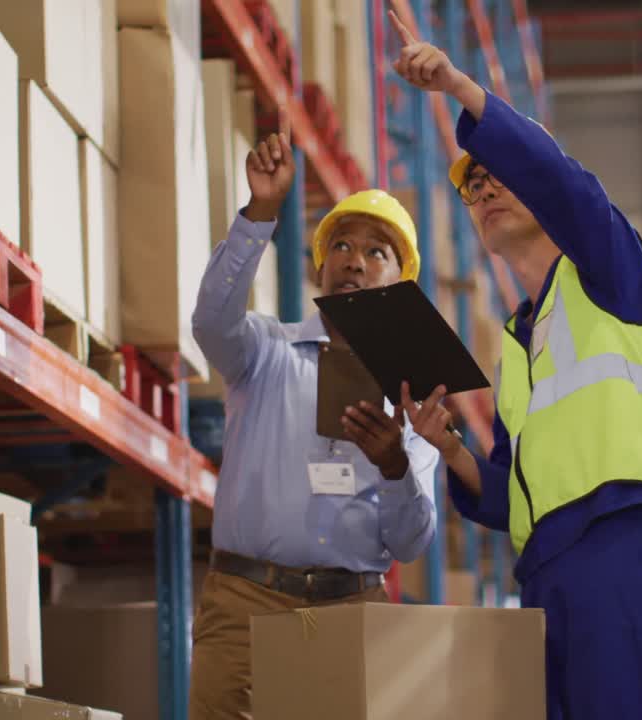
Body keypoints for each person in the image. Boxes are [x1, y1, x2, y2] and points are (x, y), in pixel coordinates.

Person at [387, 11, 642, 719]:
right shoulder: (515, 346)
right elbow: (506, 496)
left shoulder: (610, 274)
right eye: (473, 187)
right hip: (546, 562)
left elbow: (568, 186)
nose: (484, 191)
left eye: (498, 177)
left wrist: (460, 88)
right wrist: (449, 449)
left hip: (619, 533)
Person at [188, 110, 442, 720]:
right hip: (245, 606)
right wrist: (260, 213)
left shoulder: (413, 403)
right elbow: (210, 322)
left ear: (400, 283)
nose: (354, 261)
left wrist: (394, 467)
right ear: (321, 267)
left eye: (376, 252)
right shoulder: (263, 353)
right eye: (343, 247)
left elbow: (411, 543)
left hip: (351, 611)